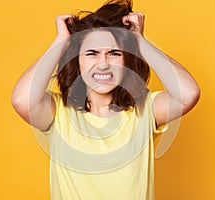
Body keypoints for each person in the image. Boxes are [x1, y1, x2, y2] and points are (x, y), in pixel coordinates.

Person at [11, 0, 200, 199]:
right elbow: (22, 100)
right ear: (77, 60)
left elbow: (188, 94)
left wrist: (139, 39)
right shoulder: (58, 112)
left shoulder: (144, 111)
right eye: (92, 53)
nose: (103, 64)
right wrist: (60, 41)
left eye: (114, 53)